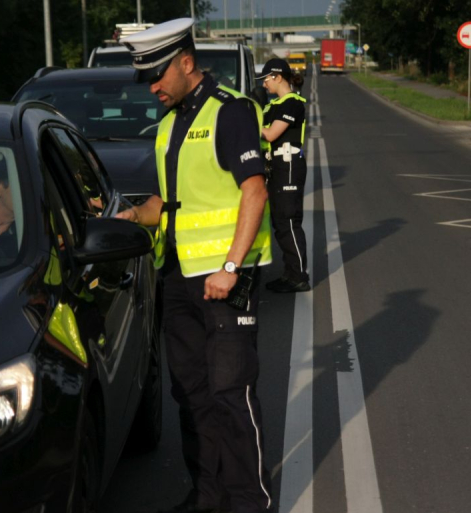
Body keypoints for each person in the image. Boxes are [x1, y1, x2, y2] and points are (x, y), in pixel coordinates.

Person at [116, 18, 273, 513]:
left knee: (231, 395)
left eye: (158, 75)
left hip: (223, 280)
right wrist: (134, 216)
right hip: (178, 280)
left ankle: (250, 501)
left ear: (186, 62)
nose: (153, 86)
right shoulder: (168, 126)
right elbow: (170, 202)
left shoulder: (231, 112)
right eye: (147, 79)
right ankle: (208, 496)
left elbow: (255, 189)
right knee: (193, 397)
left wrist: (231, 266)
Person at [257, 58, 310, 293]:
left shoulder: (293, 103)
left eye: (266, 79)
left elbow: (269, 134)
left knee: (288, 221)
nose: (264, 84)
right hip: (275, 168)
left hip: (289, 166)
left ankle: (299, 277)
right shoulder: (271, 106)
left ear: (278, 77)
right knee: (279, 223)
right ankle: (289, 274)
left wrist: (247, 120)